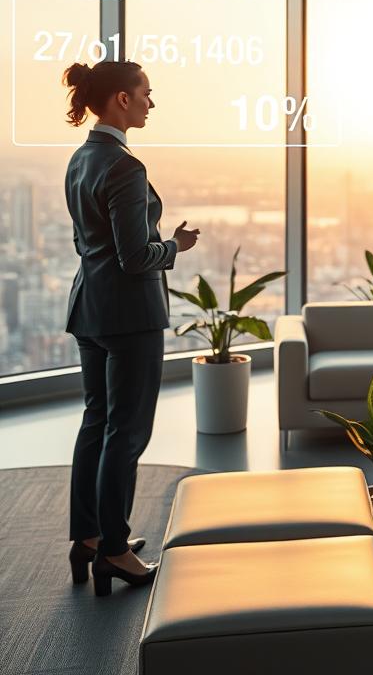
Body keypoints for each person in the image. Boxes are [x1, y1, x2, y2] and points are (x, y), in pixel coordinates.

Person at [62, 61, 199, 596]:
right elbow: (136, 255)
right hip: (129, 318)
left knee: (96, 421)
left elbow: (90, 243)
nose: (151, 102)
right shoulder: (125, 166)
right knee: (127, 430)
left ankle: (90, 537)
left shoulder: (81, 158)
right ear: (122, 98)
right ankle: (116, 550)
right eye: (146, 93)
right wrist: (175, 247)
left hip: (90, 308)